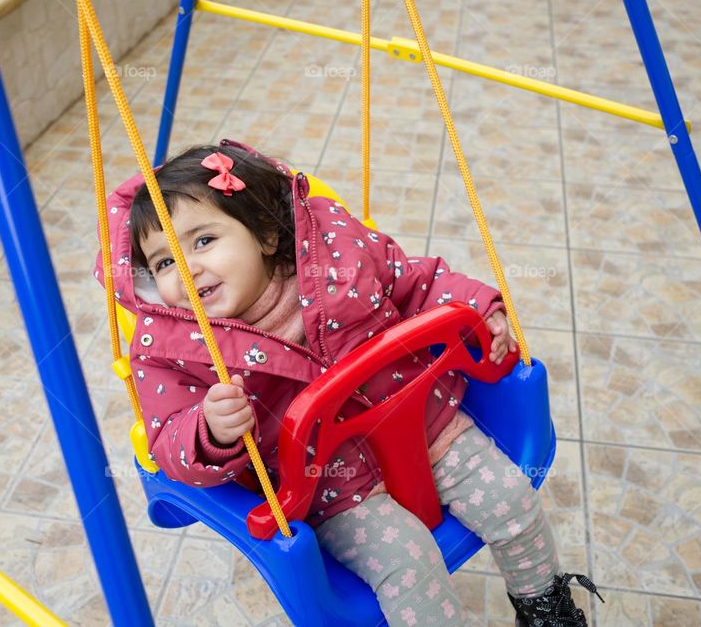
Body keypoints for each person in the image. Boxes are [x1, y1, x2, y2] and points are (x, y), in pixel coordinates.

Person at [95, 140, 602, 626]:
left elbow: (417, 283)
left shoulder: (341, 256)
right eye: (164, 262)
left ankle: (544, 607)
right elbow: (168, 440)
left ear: (267, 235)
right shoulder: (171, 349)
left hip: (431, 428)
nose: (185, 269)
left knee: (512, 500)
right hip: (331, 491)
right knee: (411, 568)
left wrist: (479, 309)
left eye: (203, 241)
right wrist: (209, 430)